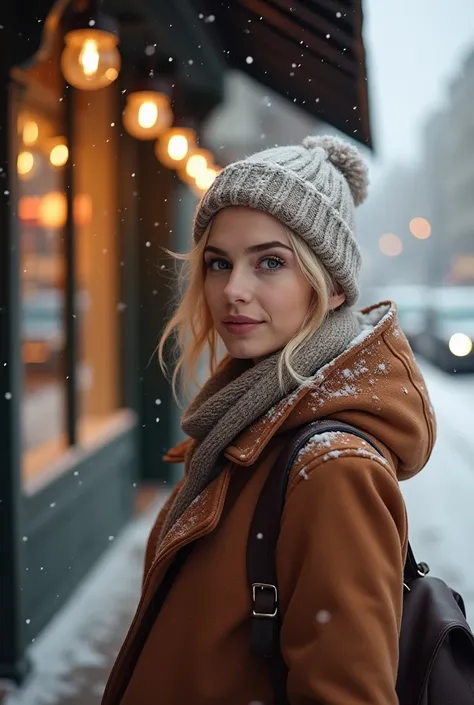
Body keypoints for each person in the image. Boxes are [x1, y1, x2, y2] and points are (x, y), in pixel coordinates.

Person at [102, 136, 436, 705]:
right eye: (218, 263)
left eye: (270, 262)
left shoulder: (332, 468)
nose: (233, 289)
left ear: (330, 287)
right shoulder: (244, 420)